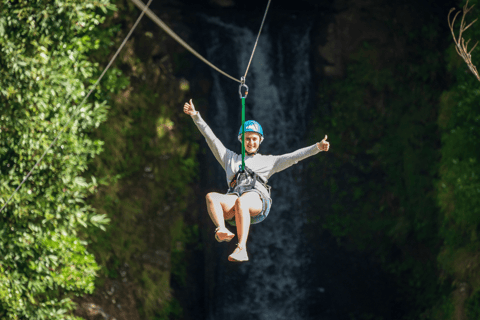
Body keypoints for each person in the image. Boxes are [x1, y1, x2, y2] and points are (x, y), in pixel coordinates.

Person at [183, 99, 330, 262]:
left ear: (260, 140)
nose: (251, 142)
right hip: (235, 200)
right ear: (241, 140)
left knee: (242, 201)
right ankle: (221, 230)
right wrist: (195, 116)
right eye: (247, 139)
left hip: (257, 201)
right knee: (211, 197)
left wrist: (317, 147)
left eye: (254, 139)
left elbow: (294, 157)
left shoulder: (269, 161)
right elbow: (211, 139)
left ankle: (241, 248)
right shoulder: (229, 158)